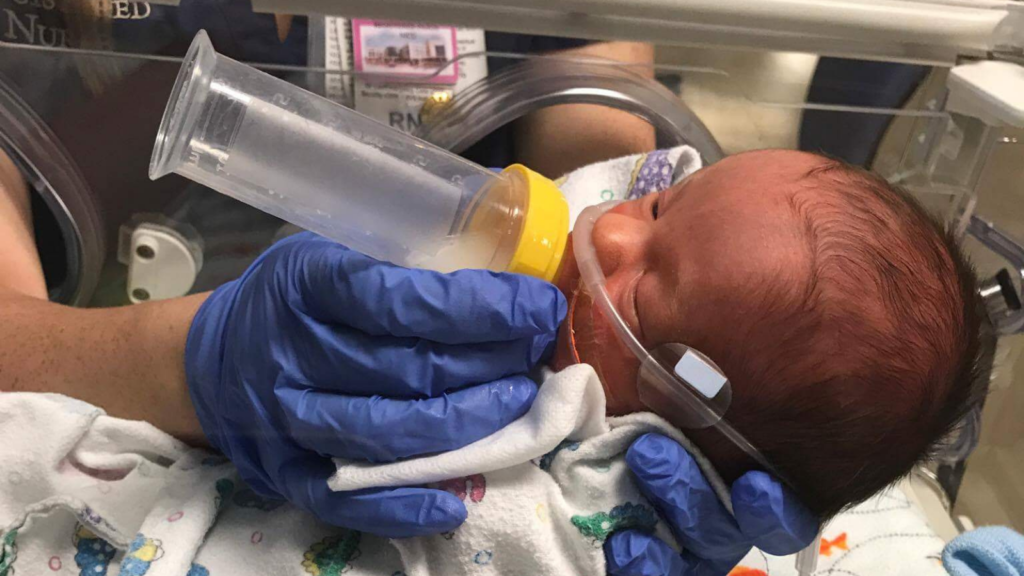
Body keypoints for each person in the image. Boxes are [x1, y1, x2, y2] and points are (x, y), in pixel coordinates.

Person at [0, 27, 817, 576]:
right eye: (652, 213)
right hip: (105, 340)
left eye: (648, 282)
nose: (608, 237)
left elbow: (602, 134)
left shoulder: (596, 432)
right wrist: (184, 360)